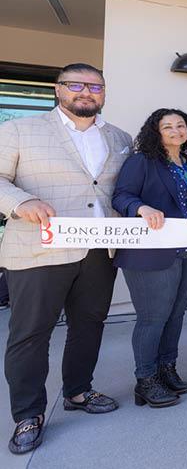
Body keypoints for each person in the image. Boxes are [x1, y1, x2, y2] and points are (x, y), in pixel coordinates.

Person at [0, 63, 131, 454]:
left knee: (89, 324)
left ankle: (78, 390)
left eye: (95, 86)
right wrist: (22, 201)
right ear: (59, 90)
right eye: (76, 85)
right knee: (30, 334)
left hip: (98, 250)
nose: (86, 92)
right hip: (39, 249)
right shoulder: (21, 129)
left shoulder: (120, 137)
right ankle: (28, 414)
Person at [112, 108, 187, 407]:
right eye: (168, 126)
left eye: (181, 125)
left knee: (176, 315)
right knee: (153, 318)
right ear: (156, 131)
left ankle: (167, 369)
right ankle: (146, 380)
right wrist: (142, 208)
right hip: (150, 252)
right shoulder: (142, 162)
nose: (176, 130)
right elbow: (121, 196)